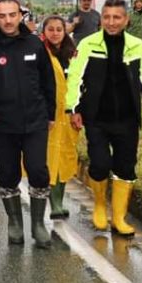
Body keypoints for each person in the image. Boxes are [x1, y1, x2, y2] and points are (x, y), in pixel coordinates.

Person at [66, 0, 142, 237]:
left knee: (126, 167)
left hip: (127, 119)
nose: (111, 22)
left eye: (116, 17)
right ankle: (99, 204)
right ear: (101, 20)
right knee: (99, 165)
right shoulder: (88, 45)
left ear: (126, 20)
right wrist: (73, 109)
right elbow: (75, 78)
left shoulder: (137, 46)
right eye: (106, 17)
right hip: (96, 117)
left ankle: (119, 217)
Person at [0, 0, 55, 249]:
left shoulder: (35, 44)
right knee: (7, 173)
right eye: (2, 15)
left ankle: (38, 224)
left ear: (20, 15)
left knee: (38, 170)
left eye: (12, 14)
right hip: (2, 124)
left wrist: (50, 114)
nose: (7, 20)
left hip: (35, 121)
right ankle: (14, 222)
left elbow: (48, 82)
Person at [41, 15, 79, 219]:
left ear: (65, 31)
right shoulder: (40, 53)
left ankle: (60, 200)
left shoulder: (73, 53)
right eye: (51, 29)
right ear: (44, 31)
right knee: (51, 158)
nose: (55, 33)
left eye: (59, 29)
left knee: (66, 157)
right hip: (49, 114)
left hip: (70, 113)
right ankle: (53, 203)